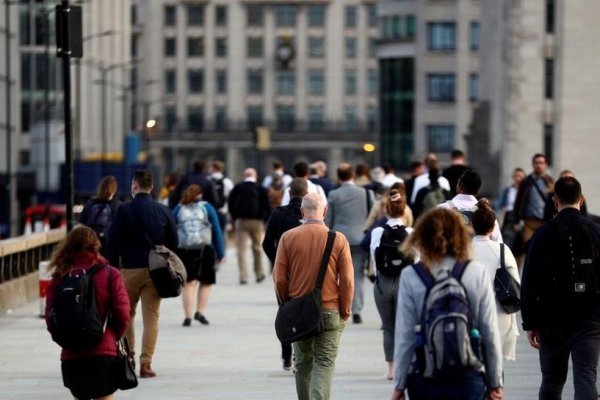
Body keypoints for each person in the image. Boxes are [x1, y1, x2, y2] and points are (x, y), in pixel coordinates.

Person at [391, 208, 503, 400]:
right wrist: (495, 383)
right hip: (469, 375)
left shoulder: (411, 275)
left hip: (425, 375)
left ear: (422, 237)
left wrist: (399, 384)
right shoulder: (477, 272)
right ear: (460, 235)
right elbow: (490, 333)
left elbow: (405, 336)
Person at [521, 176, 600, 399]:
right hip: (590, 318)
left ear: (555, 201)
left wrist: (531, 322)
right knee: (586, 376)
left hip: (552, 319)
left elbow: (530, 280)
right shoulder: (595, 232)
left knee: (552, 380)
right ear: (581, 199)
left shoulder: (543, 233)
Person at [273, 193, 354, 400]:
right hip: (330, 309)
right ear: (325, 211)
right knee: (325, 363)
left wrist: (286, 304)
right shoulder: (339, 239)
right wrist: (345, 309)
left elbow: (280, 279)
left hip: (300, 310)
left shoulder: (288, 237)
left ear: (302, 212)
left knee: (302, 364)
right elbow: (346, 280)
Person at [106, 170, 178, 378]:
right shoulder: (163, 211)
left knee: (126, 315)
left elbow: (112, 242)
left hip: (129, 269)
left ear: (134, 186)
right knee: (151, 318)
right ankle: (146, 363)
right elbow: (174, 242)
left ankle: (128, 356)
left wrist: (114, 267)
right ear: (152, 187)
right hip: (156, 271)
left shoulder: (123, 210)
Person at [45, 226, 130, 400]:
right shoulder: (109, 273)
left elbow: (50, 317)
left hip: (71, 355)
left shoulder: (60, 276)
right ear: (95, 245)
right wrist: (114, 335)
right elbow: (122, 311)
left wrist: (66, 338)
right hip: (103, 352)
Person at [262, 177, 308, 371]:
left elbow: (266, 243)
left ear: (288, 193)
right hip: (305, 270)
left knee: (285, 310)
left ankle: (286, 354)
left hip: (284, 271)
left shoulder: (278, 214)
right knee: (305, 311)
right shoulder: (309, 214)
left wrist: (277, 261)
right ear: (306, 194)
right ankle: (301, 354)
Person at [369, 188, 413, 380]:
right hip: (405, 283)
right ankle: (406, 366)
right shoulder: (411, 232)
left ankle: (391, 369)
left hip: (384, 283)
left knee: (388, 327)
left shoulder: (378, 231)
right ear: (404, 212)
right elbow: (417, 261)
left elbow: (374, 258)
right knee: (405, 326)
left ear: (385, 210)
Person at [471, 199, 520, 362]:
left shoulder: (463, 249)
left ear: (472, 226)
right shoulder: (502, 249)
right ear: (492, 228)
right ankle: (496, 387)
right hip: (499, 309)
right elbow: (515, 281)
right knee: (495, 361)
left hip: (470, 309)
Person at [326, 162, 375, 324]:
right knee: (358, 276)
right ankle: (357, 310)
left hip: (339, 239)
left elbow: (328, 220)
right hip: (360, 239)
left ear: (339, 177)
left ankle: (342, 307)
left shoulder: (333, 195)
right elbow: (372, 217)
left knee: (339, 276)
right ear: (353, 176)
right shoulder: (367, 194)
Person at [173, 184, 225, 327]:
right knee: (206, 281)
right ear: (201, 194)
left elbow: (171, 228)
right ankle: (200, 312)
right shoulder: (207, 208)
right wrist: (220, 252)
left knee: (189, 283)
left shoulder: (178, 208)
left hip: (185, 250)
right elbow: (217, 231)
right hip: (205, 248)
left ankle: (188, 316)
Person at [228, 168, 271, 284]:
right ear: (255, 176)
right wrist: (266, 220)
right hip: (257, 222)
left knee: (241, 250)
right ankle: (259, 273)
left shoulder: (238, 187)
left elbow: (231, 204)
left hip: (241, 221)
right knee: (257, 248)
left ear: (244, 176)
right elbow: (267, 205)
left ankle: (243, 276)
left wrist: (234, 217)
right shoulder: (261, 188)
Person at [438, 169, 503, 242]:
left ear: (460, 185)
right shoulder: (486, 212)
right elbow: (497, 240)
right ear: (478, 190)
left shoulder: (442, 208)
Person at [513, 153, 554, 251]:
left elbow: (555, 201)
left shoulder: (550, 182)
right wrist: (516, 220)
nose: (538, 165)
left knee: (544, 250)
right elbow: (518, 201)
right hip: (529, 222)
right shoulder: (526, 182)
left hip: (545, 222)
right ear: (533, 164)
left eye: (541, 162)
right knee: (529, 248)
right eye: (536, 162)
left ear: (545, 165)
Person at [78, 175, 121, 256]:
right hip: (109, 248)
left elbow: (81, 225)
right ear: (114, 190)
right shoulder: (116, 205)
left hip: (91, 245)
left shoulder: (90, 203)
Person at [495, 167, 526, 251]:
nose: (518, 178)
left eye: (520, 176)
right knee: (507, 243)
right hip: (509, 218)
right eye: (516, 176)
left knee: (521, 247)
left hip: (523, 218)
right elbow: (499, 205)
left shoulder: (527, 191)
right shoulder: (508, 190)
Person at [209, 160, 234, 233]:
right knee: (221, 233)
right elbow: (231, 196)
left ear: (214, 168)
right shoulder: (227, 181)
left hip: (209, 210)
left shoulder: (208, 180)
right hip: (223, 210)